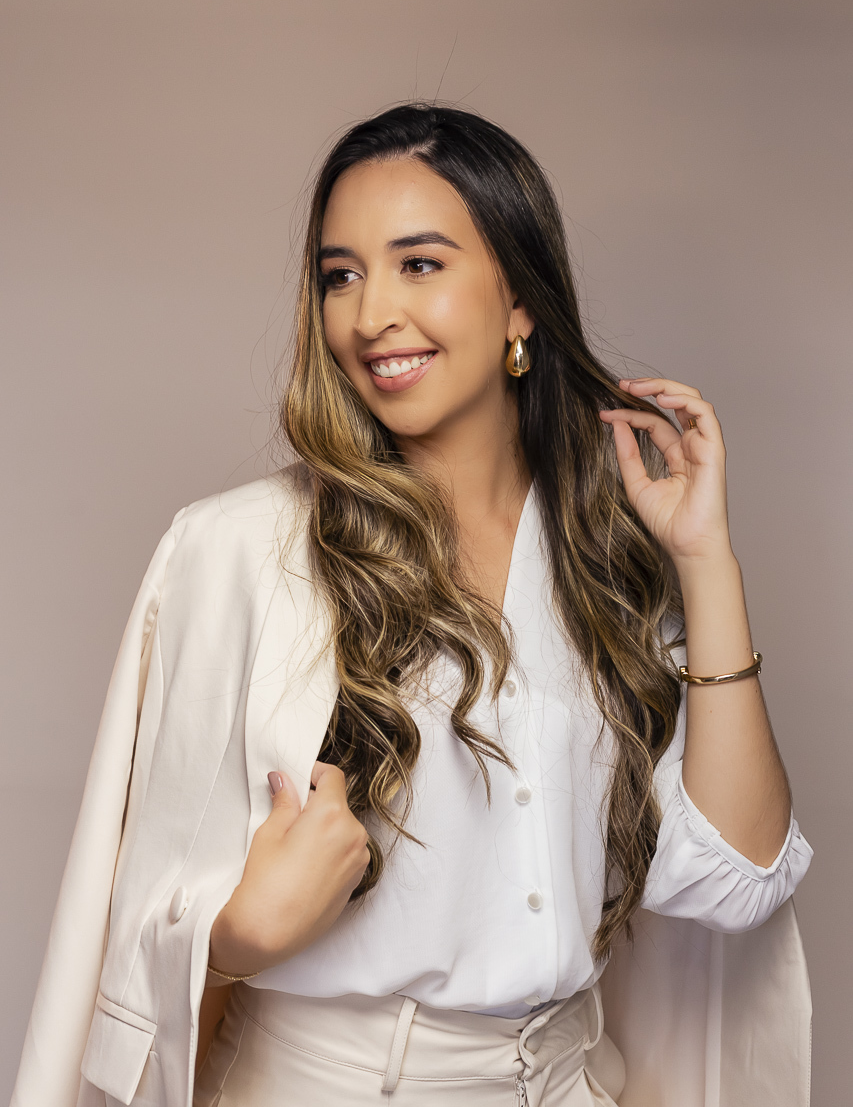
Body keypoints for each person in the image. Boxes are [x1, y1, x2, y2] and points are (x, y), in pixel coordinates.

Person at [12, 104, 812, 1107]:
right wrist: (235, 938)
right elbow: (140, 916)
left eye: (418, 264)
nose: (369, 315)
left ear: (520, 300)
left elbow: (737, 876)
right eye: (340, 275)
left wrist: (704, 559)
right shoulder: (238, 553)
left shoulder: (603, 561)